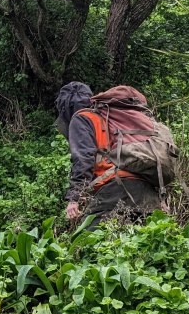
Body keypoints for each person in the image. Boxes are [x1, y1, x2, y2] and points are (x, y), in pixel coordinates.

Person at [58, 83, 161, 230]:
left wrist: (74, 199)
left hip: (115, 189)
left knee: (89, 240)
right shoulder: (113, 117)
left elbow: (83, 159)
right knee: (142, 242)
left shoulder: (83, 118)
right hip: (148, 192)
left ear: (65, 109)